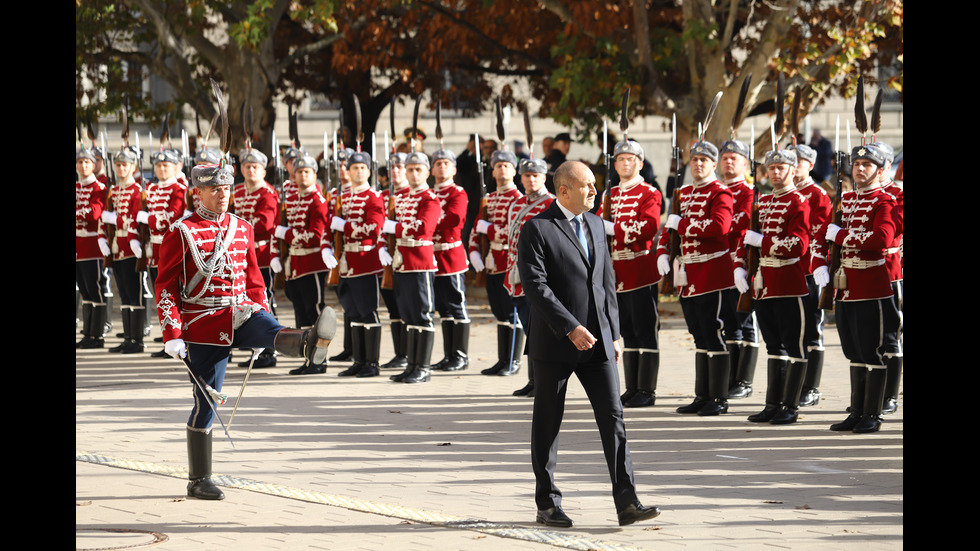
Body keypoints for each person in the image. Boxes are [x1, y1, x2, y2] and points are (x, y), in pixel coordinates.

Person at [156, 162, 336, 500]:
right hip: (203, 322)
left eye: (226, 188)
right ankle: (198, 479)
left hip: (242, 310)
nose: (223, 194)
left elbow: (254, 278)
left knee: (270, 327)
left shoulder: (242, 227)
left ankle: (308, 343)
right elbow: (165, 286)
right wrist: (172, 333)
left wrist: (262, 308)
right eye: (215, 189)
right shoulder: (182, 231)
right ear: (199, 193)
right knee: (207, 401)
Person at [518, 160, 661, 528]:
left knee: (614, 419)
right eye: (587, 186)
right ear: (564, 190)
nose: (595, 191)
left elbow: (605, 284)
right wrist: (569, 327)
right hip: (555, 343)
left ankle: (627, 502)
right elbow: (536, 287)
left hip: (597, 343)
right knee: (548, 422)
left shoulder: (596, 224)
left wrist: (613, 333)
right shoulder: (537, 228)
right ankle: (547, 502)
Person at [657, 140, 736, 416]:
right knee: (698, 335)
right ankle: (703, 395)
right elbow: (670, 230)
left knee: (713, 332)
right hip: (687, 275)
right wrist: (662, 252)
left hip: (712, 272)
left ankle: (719, 397)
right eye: (694, 161)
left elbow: (719, 227)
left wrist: (683, 225)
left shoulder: (720, 192)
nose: (698, 164)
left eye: (704, 161)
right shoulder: (685, 192)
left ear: (714, 165)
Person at [823, 145, 899, 433]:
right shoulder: (848, 199)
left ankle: (873, 413)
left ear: (880, 171)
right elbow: (826, 235)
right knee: (853, 350)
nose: (860, 169)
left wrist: (842, 235)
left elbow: (882, 237)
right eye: (857, 164)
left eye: (867, 164)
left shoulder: (885, 201)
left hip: (872, 285)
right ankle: (857, 410)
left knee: (872, 350)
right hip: (847, 286)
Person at [734, 148, 811, 425]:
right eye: (772, 168)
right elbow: (746, 241)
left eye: (782, 168)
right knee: (773, 346)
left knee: (794, 346)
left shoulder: (799, 202)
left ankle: (790, 406)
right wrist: (740, 266)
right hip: (763, 285)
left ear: (792, 170)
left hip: (789, 285)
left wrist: (763, 242)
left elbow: (798, 246)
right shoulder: (762, 202)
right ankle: (773, 404)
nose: (776, 173)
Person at [597, 139, 663, 408]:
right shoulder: (609, 195)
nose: (625, 163)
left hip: (639, 268)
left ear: (640, 163)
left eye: (630, 159)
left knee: (645, 329)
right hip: (616, 273)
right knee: (627, 331)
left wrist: (616, 229)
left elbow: (649, 226)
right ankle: (633, 387)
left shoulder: (650, 193)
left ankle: (647, 389)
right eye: (621, 159)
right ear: (614, 165)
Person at [382, 151, 441, 383]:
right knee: (408, 315)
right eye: (410, 170)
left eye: (418, 169)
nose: (414, 174)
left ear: (427, 172)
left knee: (422, 315)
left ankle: (423, 368)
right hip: (402, 262)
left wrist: (394, 227)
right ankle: (412, 364)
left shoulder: (430, 198)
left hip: (420, 261)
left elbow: (424, 227)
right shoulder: (404, 197)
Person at [274, 154, 335, 375]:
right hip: (296, 263)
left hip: (312, 262)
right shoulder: (295, 198)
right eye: (299, 172)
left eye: (306, 172)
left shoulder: (317, 200)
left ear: (314, 175)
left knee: (315, 312)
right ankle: (307, 358)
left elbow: (314, 235)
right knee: (301, 312)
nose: (302, 175)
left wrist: (287, 233)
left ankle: (320, 359)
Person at [329, 150, 387, 378]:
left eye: (363, 168)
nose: (359, 171)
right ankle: (359, 360)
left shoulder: (373, 196)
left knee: (367, 312)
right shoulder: (344, 196)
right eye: (355, 168)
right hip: (346, 262)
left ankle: (372, 363)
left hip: (365, 261)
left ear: (369, 171)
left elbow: (374, 228)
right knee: (352, 312)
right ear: (349, 171)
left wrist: (346, 226)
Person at [470, 149, 524, 376]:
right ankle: (502, 360)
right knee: (499, 313)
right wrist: (473, 252)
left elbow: (514, 233)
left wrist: (490, 229)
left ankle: (513, 361)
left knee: (512, 314)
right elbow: (476, 229)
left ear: (514, 170)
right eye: (498, 166)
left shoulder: (520, 200)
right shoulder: (489, 199)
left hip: (508, 263)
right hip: (491, 262)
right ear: (492, 171)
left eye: (506, 165)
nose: (502, 169)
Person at [504, 157, 555, 397]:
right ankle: (533, 380)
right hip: (515, 276)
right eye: (527, 175)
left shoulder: (552, 204)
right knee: (529, 329)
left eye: (536, 175)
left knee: (540, 331)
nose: (531, 179)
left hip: (538, 277)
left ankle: (542, 382)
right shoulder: (516, 204)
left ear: (544, 178)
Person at [789, 144, 833, 407]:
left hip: (807, 270)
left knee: (811, 331)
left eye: (798, 161)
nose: (793, 166)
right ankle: (793, 384)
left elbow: (819, 231)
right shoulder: (784, 194)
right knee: (792, 330)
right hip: (786, 273)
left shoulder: (816, 195)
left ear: (810, 165)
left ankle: (811, 387)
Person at [231, 147, 280, 368]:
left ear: (263, 170)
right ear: (241, 168)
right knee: (245, 301)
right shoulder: (238, 191)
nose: (251, 170)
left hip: (260, 254)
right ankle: (255, 348)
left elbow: (265, 224)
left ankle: (269, 349)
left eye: (255, 167)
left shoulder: (267, 193)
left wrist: (238, 225)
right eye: (247, 166)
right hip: (239, 254)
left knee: (264, 299)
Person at [717, 139, 759, 399]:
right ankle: (730, 377)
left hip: (740, 263)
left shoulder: (749, 193)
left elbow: (739, 223)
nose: (729, 162)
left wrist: (712, 224)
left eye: (734, 158)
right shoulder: (716, 190)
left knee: (745, 321)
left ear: (745, 163)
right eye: (725, 158)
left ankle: (744, 380)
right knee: (728, 323)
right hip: (718, 265)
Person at [138, 148, 188, 357]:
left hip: (170, 248)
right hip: (154, 249)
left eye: (165, 165)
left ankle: (183, 337)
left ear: (175, 167)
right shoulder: (151, 189)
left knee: (175, 295)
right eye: (158, 166)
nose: (161, 169)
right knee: (161, 296)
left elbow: (170, 218)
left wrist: (146, 218)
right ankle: (169, 338)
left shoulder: (177, 189)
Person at [101, 146, 148, 353]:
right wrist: (103, 237)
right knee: (124, 295)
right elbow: (107, 220)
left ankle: (137, 341)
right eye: (118, 165)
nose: (121, 169)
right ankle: (128, 337)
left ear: (133, 166)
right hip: (116, 248)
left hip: (131, 248)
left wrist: (117, 220)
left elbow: (136, 219)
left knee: (134, 294)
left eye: (125, 165)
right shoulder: (115, 191)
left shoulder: (137, 191)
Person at [429, 147, 471, 373]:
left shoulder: (458, 193)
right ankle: (448, 355)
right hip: (431, 256)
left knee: (457, 306)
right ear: (432, 169)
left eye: (446, 163)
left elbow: (455, 218)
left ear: (454, 169)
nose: (442, 166)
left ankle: (461, 356)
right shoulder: (429, 193)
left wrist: (427, 221)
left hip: (450, 256)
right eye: (438, 163)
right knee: (443, 310)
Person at [872, 142, 903, 414]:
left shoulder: (897, 193)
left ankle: (890, 395)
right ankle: (867, 397)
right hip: (862, 273)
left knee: (891, 333)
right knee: (867, 337)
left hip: (890, 270)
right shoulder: (858, 194)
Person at [378, 152, 411, 371]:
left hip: (407, 259)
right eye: (393, 167)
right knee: (393, 309)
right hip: (387, 260)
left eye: (400, 167)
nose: (396, 171)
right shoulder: (382, 196)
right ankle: (400, 353)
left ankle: (409, 354)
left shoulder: (413, 194)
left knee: (408, 309)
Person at [76, 146, 110, 349]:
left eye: (87, 162)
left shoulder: (99, 187)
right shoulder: (77, 186)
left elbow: (94, 213)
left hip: (92, 246)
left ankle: (97, 336)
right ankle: (88, 333)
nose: (83, 165)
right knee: (85, 291)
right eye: (80, 162)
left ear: (93, 164)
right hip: (79, 246)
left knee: (95, 289)